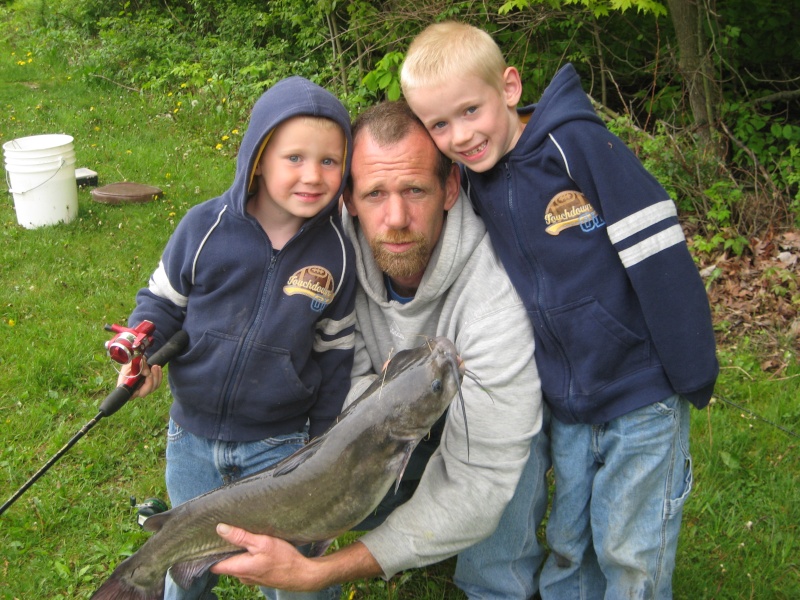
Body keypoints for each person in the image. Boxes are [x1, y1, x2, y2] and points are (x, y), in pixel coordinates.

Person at [400, 21, 720, 600]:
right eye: (439, 124)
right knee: (571, 543)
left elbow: (654, 242)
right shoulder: (476, 184)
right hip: (568, 400)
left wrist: (692, 364)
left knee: (631, 549)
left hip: (642, 387)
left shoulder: (573, 144)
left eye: (471, 110)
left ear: (511, 88)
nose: (461, 135)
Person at [211, 101, 550, 599]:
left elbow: (482, 477)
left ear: (450, 188)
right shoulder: (322, 258)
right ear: (347, 199)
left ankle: (498, 582)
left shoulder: (494, 296)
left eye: (415, 189)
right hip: (383, 428)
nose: (396, 218)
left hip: (469, 430)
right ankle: (416, 517)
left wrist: (320, 573)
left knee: (510, 445)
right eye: (374, 194)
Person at [118, 75, 357, 600]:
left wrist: (322, 450)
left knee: (294, 576)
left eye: (329, 161)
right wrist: (141, 347)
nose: (312, 176)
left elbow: (336, 354)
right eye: (294, 158)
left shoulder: (338, 253)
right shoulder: (204, 226)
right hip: (193, 440)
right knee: (187, 566)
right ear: (258, 158)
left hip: (281, 451)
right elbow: (160, 302)